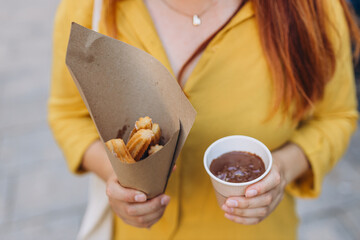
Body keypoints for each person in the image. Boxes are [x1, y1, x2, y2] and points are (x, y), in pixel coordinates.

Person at [48, 0, 359, 239]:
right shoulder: (92, 7)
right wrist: (119, 179)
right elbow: (67, 114)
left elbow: (336, 115)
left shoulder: (313, 8)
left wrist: (282, 168)